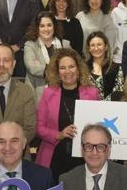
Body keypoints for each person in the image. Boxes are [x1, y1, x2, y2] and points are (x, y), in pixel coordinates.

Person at [36, 48, 102, 176]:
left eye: (71, 66)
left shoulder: (92, 93)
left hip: (84, 158)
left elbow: (99, 126)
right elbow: (39, 128)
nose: (67, 72)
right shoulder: (48, 93)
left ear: (78, 69)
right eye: (63, 68)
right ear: (57, 72)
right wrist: (59, 134)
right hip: (55, 156)